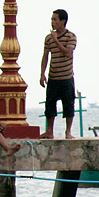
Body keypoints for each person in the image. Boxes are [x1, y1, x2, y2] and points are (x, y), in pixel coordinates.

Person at [40, 9, 77, 139]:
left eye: (55, 19)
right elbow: (45, 56)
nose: (52, 22)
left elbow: (67, 52)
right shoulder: (48, 38)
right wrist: (42, 74)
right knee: (50, 104)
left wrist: (56, 40)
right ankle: (49, 131)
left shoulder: (70, 36)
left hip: (66, 77)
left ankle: (68, 131)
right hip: (53, 77)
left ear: (63, 21)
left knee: (68, 104)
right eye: (52, 19)